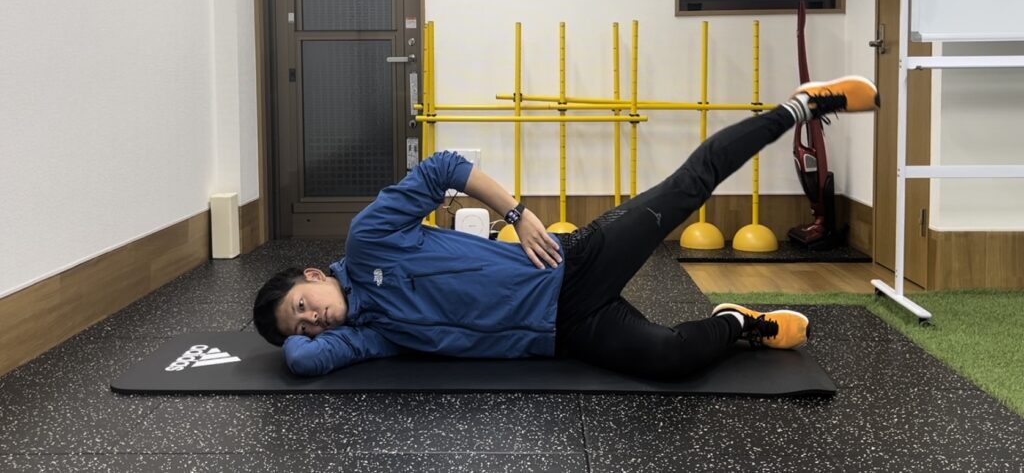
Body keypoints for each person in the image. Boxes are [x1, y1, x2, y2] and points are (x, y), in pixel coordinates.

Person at [253, 76, 879, 379]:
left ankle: (801, 106)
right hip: (566, 334)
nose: (314, 321)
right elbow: (303, 362)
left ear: (314, 274)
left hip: (570, 263)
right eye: (302, 325)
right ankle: (740, 323)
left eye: (304, 305)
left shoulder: (367, 241)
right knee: (671, 360)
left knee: (690, 186)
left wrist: (518, 213)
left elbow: (443, 166)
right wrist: (296, 336)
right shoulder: (369, 335)